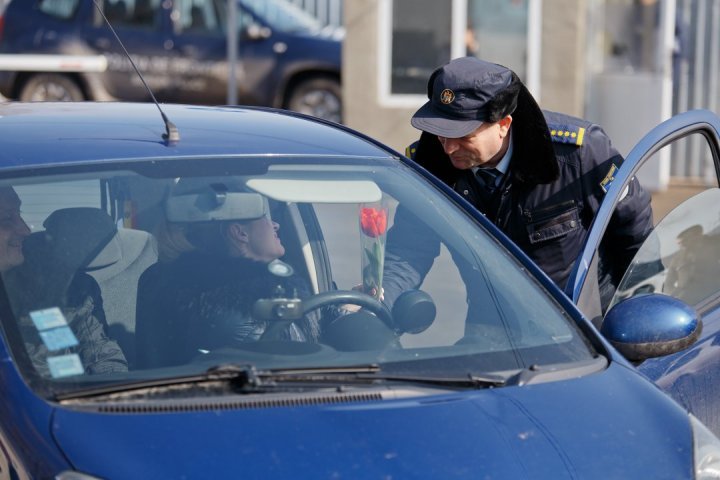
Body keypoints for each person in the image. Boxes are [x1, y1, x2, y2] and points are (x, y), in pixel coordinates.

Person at [391, 57, 654, 314]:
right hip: (492, 329)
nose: (448, 148)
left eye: (463, 136)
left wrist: (637, 313)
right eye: (441, 133)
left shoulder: (579, 154)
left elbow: (635, 234)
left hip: (579, 331)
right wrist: (379, 300)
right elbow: (409, 247)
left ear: (503, 125)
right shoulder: (430, 163)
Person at [134, 185, 383, 368]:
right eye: (266, 217)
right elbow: (299, 373)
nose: (276, 225)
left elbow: (310, 319)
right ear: (240, 233)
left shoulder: (270, 286)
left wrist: (346, 307)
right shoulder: (244, 314)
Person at [0, 187, 128, 377]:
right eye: (5, 218)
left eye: (19, 214)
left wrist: (113, 392)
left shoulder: (59, 291)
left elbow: (99, 355)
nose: (25, 230)